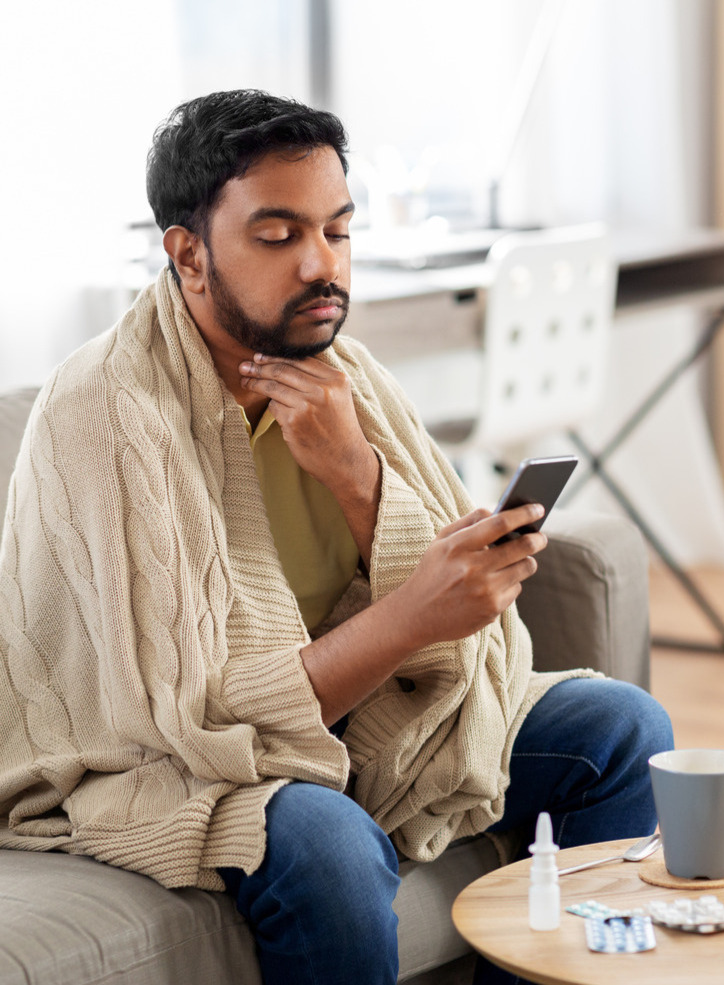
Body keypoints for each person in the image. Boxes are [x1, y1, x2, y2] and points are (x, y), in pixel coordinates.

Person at [0, 89, 673, 985]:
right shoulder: (109, 412)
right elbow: (191, 723)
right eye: (279, 236)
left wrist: (356, 473)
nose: (323, 265)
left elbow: (467, 634)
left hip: (347, 721)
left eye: (339, 230)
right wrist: (409, 619)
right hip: (174, 761)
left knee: (620, 727)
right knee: (328, 842)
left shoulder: (344, 372)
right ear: (188, 254)